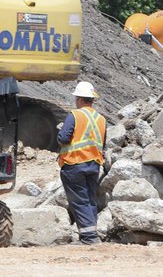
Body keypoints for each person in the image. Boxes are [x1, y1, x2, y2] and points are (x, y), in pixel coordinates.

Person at [57, 80, 107, 246]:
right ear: (91, 99)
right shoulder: (101, 119)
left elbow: (64, 138)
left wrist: (60, 132)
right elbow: (102, 143)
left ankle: (89, 238)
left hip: (75, 163)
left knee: (79, 200)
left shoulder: (75, 115)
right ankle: (92, 234)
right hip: (94, 164)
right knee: (89, 199)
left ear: (79, 98)